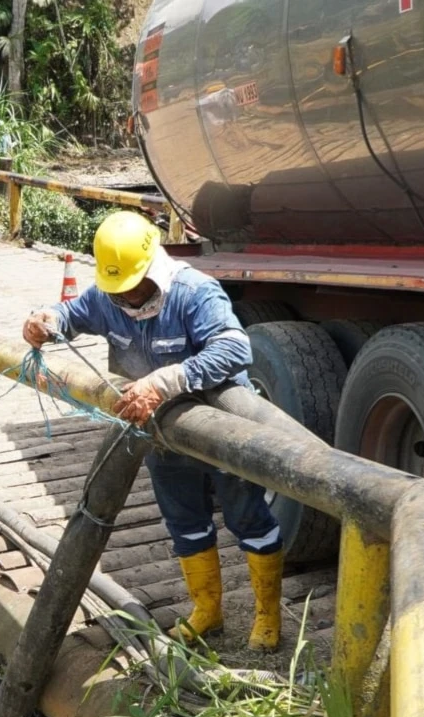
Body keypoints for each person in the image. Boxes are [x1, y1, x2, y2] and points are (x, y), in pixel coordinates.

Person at [21, 211, 286, 650]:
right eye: (116, 289)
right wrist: (45, 319)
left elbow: (235, 348)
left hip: (222, 428)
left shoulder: (194, 293)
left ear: (151, 265)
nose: (124, 296)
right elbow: (70, 315)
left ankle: (268, 615)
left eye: (132, 287)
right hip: (162, 436)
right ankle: (207, 611)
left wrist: (165, 380)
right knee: (184, 519)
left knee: (247, 518)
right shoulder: (108, 297)